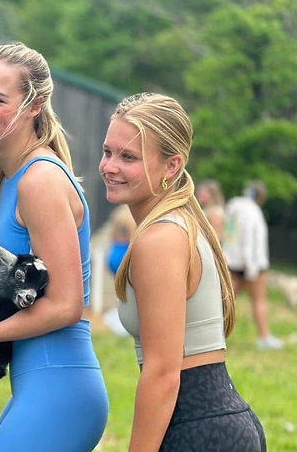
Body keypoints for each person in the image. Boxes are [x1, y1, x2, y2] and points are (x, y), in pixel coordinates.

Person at [0, 42, 108, 451]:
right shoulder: (12, 173)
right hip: (40, 384)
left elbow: (68, 306)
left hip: (59, 387)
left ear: (34, 105)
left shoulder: (39, 181)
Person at [100, 92, 266, 450]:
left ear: (172, 165)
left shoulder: (160, 238)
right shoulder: (181, 224)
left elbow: (162, 374)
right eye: (108, 151)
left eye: (128, 156)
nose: (109, 166)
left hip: (199, 431)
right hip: (212, 423)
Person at [223, 179, 283, 350]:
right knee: (258, 301)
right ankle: (264, 337)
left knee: (226, 302)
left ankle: (213, 336)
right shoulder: (253, 212)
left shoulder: (233, 207)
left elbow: (228, 234)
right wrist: (252, 269)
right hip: (252, 265)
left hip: (232, 261)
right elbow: (249, 241)